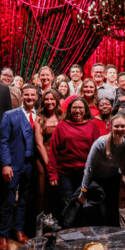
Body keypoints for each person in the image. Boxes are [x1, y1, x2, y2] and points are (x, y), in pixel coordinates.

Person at [0, 85, 38, 250]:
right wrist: (6, 164)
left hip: (32, 164)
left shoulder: (39, 115)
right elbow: (3, 141)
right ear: (21, 96)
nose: (29, 98)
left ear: (36, 97)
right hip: (13, 165)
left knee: (24, 200)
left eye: (32, 95)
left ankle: (18, 229)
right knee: (8, 200)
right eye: (26, 95)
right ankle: (3, 235)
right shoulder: (10, 115)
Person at [47, 97, 100, 226]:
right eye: (74, 107)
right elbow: (53, 150)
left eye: (81, 107)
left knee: (84, 203)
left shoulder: (91, 125)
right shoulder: (62, 125)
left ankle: (81, 232)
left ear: (85, 110)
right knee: (68, 203)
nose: (77, 110)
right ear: (70, 110)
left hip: (85, 174)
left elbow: (98, 151)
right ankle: (68, 232)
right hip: (65, 173)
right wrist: (52, 173)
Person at [78, 115, 125, 226]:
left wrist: (122, 187)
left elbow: (124, 169)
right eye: (116, 126)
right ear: (111, 127)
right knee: (98, 216)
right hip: (96, 182)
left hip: (113, 181)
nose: (119, 129)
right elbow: (89, 168)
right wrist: (83, 191)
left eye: (122, 126)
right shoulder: (100, 143)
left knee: (113, 215)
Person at [34, 89, 62, 216]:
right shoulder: (39, 119)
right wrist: (49, 164)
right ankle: (41, 224)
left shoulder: (63, 116)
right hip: (44, 157)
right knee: (42, 191)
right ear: (43, 101)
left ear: (57, 101)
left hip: (60, 157)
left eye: (52, 99)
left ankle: (56, 221)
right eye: (46, 99)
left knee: (58, 191)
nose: (49, 102)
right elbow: (39, 144)